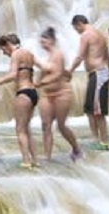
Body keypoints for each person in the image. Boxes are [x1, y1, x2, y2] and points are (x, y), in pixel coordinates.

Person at [0, 33, 40, 169]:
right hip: (33, 93)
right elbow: (44, 68)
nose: (4, 54)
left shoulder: (16, 54)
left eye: (3, 50)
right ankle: (35, 160)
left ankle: (26, 161)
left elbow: (13, 74)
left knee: (20, 129)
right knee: (27, 129)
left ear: (8, 44)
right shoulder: (29, 53)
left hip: (23, 93)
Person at [34, 27, 82, 161]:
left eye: (45, 41)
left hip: (62, 93)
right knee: (46, 125)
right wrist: (35, 84)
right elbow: (43, 72)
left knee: (61, 126)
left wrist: (40, 83)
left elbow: (57, 74)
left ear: (53, 40)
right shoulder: (47, 57)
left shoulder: (58, 54)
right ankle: (47, 157)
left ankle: (76, 149)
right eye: (41, 42)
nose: (42, 44)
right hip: (47, 95)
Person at [69, 14, 109, 150]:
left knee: (97, 110)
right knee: (90, 109)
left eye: (76, 29)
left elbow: (79, 56)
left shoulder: (86, 35)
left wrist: (69, 71)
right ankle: (96, 139)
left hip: (98, 73)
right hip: (100, 73)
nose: (77, 32)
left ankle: (104, 141)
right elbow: (108, 56)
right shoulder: (100, 34)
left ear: (79, 24)